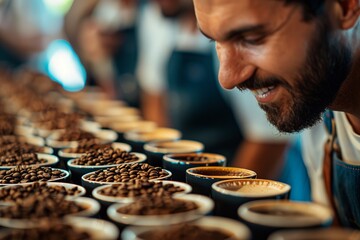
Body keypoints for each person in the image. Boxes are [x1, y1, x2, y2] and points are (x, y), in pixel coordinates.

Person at [193, 0, 360, 228]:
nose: (227, 78)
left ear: (345, 7)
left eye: (251, 38)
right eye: (216, 41)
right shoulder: (319, 103)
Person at [137, 0, 293, 176]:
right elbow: (154, 96)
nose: (226, 78)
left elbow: (268, 138)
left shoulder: (235, 37)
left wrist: (223, 191)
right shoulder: (161, 23)